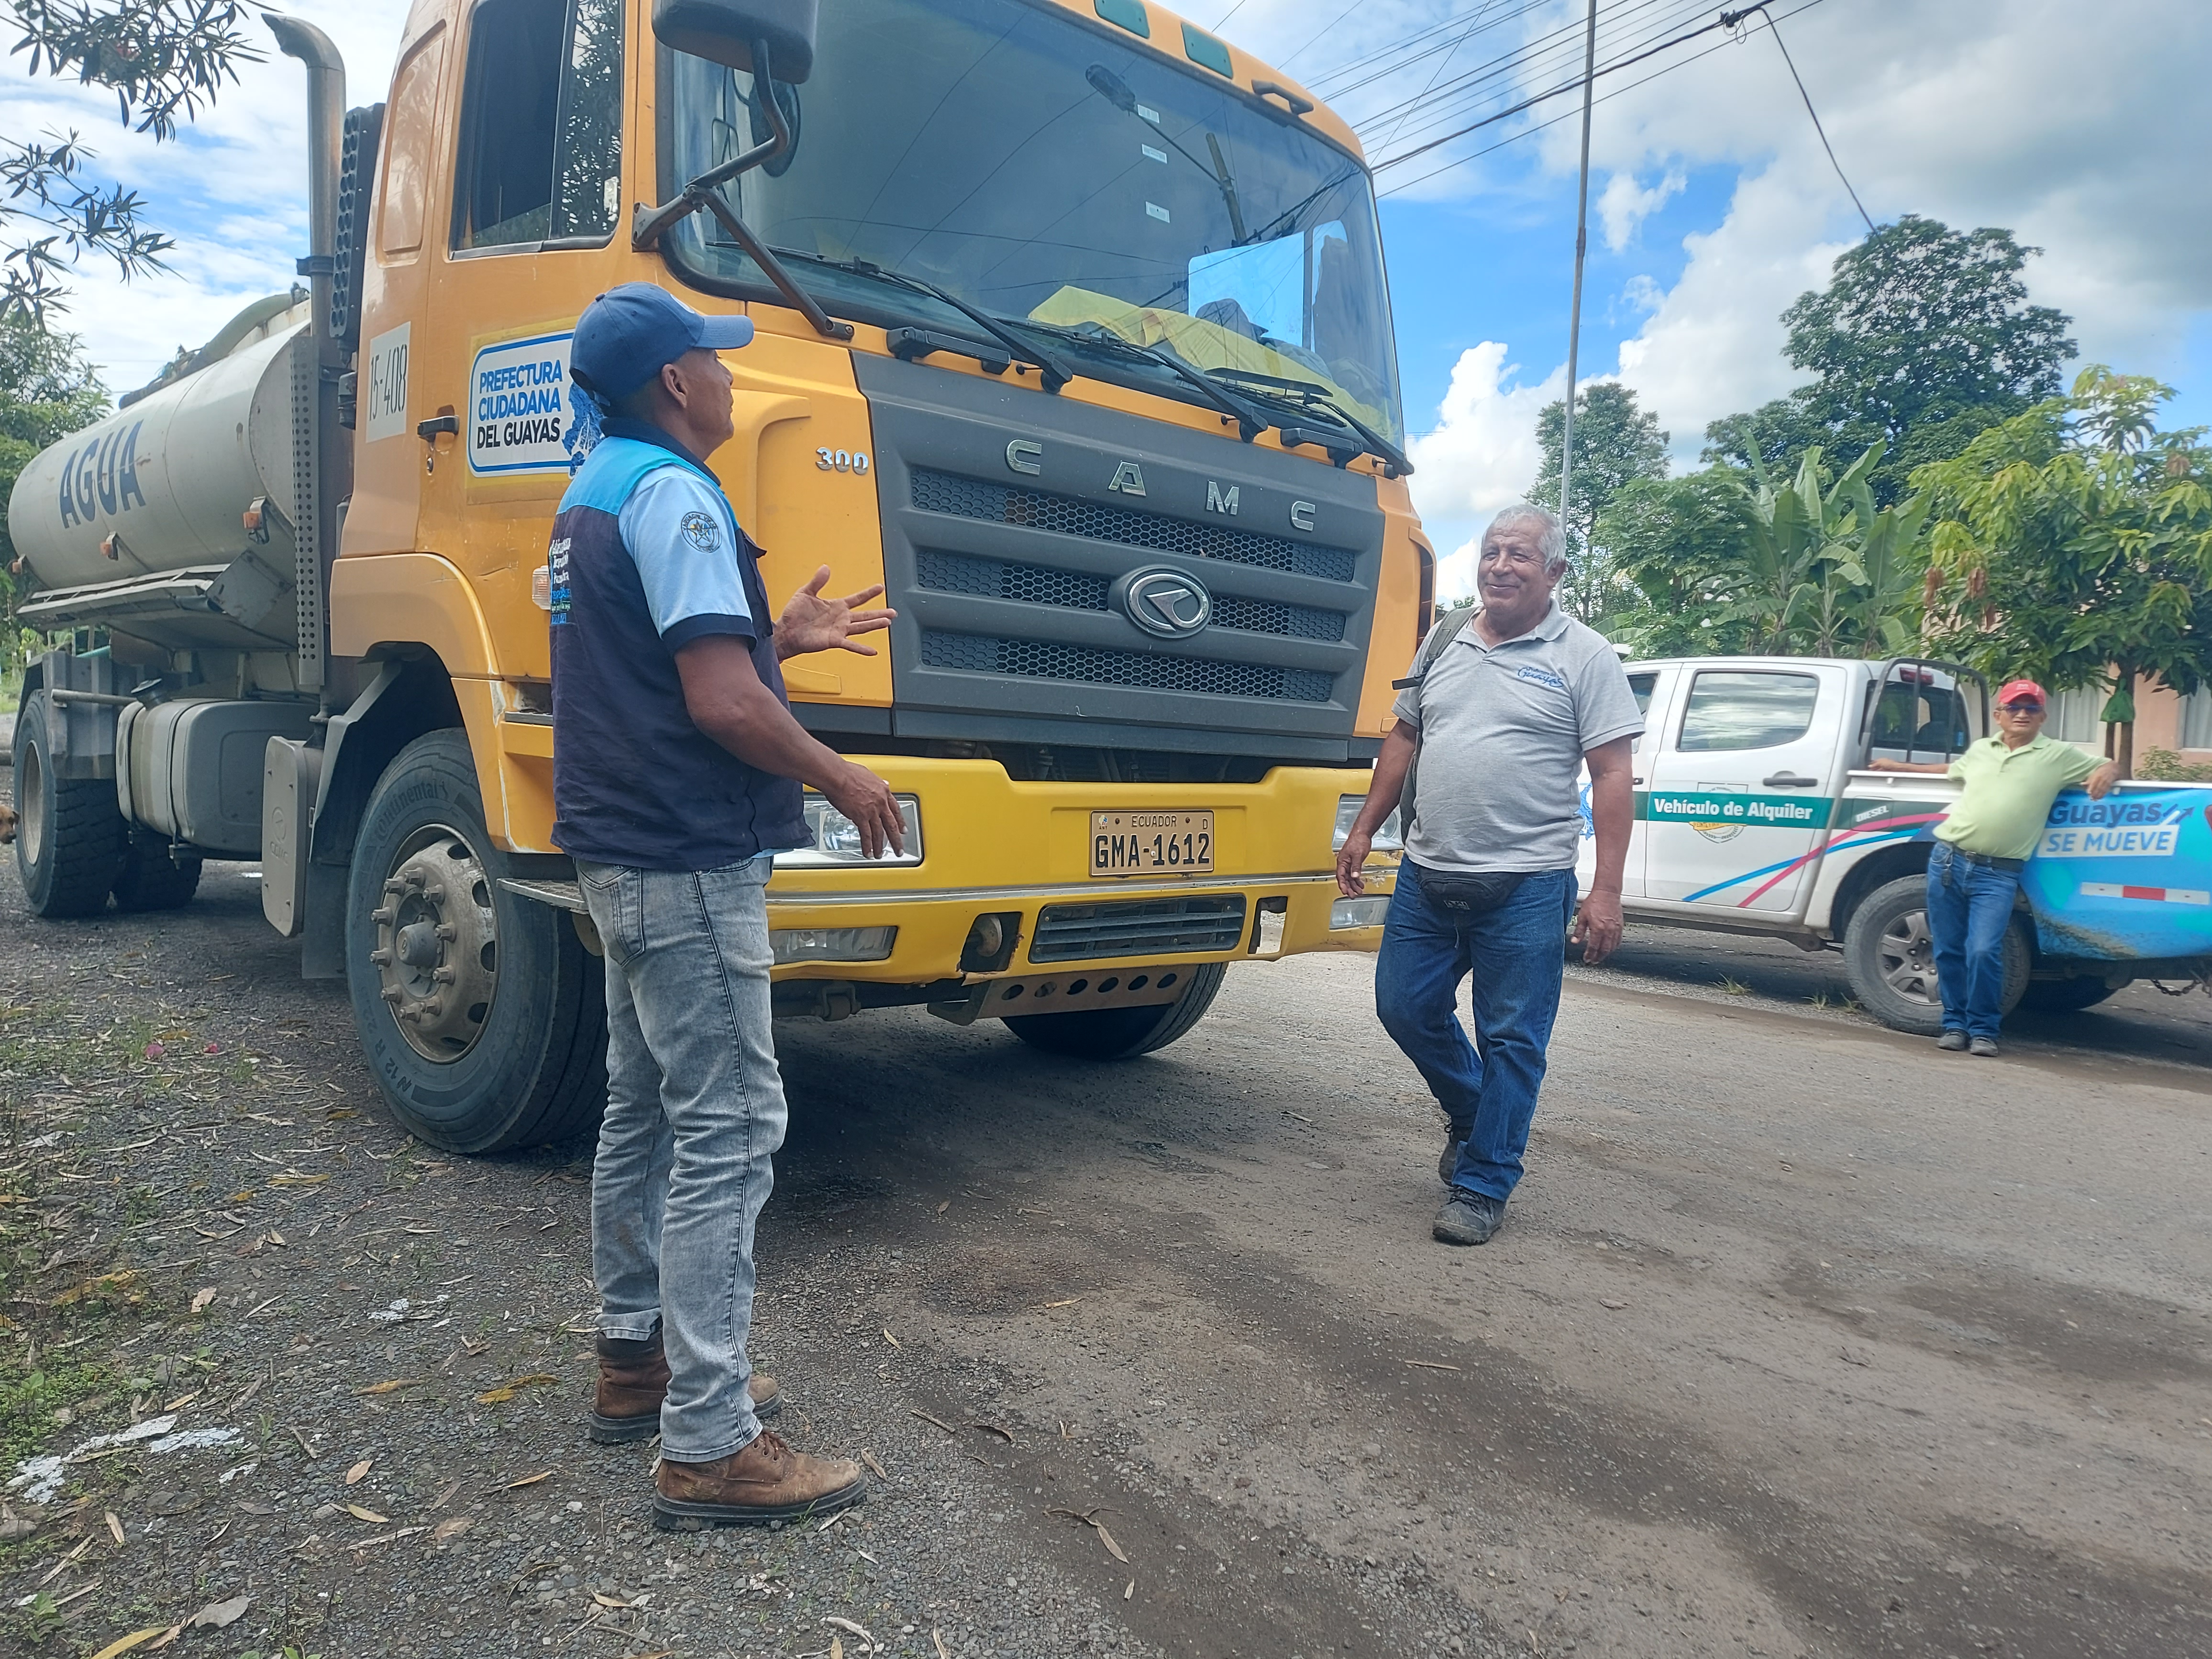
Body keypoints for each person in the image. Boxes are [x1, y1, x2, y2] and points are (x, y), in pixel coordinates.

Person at [550, 282, 906, 1528]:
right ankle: (709, 1441)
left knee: (642, 1107)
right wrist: (842, 776)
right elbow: (720, 704)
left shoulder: (596, 491)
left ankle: (636, 1362)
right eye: (711, 354)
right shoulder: (677, 492)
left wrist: (776, 637)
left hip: (617, 844)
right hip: (685, 851)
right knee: (731, 1124)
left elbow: (654, 663)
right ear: (675, 383)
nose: (727, 370)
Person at [1335, 505, 1642, 1247]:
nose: (1501, 566)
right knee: (1404, 1007)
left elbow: (1612, 774)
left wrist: (1604, 890)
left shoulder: (1587, 656)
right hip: (1428, 871)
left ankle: (1483, 1184)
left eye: (1521, 555)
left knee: (1512, 1039)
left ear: (1556, 572)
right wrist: (1366, 827)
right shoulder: (1445, 639)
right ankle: (1474, 1112)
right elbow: (1403, 738)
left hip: (1528, 883)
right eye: (1492, 552)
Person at [1870, 678, 2118, 1056]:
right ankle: (1954, 1025)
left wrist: (2108, 772)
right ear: (1999, 714)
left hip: (1998, 873)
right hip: (1948, 861)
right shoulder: (1982, 750)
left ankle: (1984, 1030)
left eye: (2031, 708)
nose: (2023, 714)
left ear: (2042, 717)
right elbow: (1950, 770)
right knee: (1948, 950)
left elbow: (2110, 765)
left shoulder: (2057, 756)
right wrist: (1897, 766)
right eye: (2014, 707)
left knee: (1984, 950)